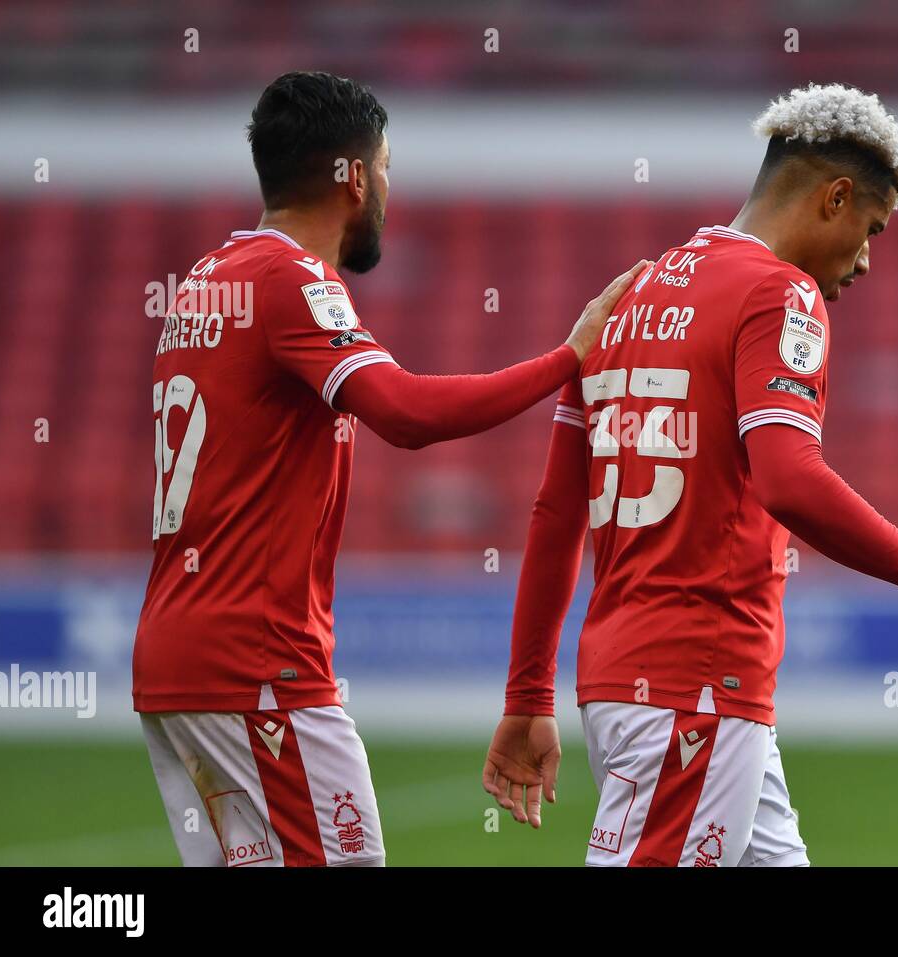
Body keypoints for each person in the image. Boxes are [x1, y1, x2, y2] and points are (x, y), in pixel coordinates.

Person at [484, 83, 898, 867]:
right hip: (696, 688)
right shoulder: (779, 293)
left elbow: (555, 511)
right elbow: (791, 480)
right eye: (870, 229)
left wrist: (530, 690)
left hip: (642, 684)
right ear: (835, 198)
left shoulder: (626, 297)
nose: (867, 258)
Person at [134, 70, 647, 867]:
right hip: (255, 663)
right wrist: (569, 355)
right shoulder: (290, 280)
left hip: (179, 655)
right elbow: (406, 413)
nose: (389, 190)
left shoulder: (205, 281)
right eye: (386, 167)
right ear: (354, 177)